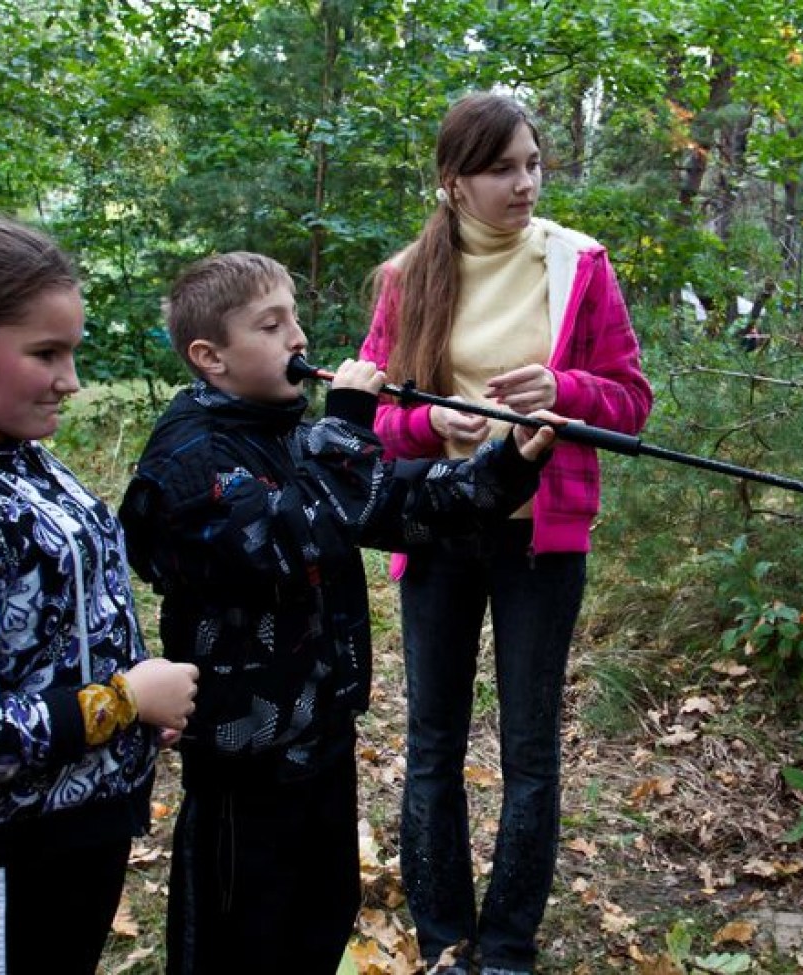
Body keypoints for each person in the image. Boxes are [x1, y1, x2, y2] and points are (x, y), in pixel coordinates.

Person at [117, 251, 561, 975]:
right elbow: (288, 537)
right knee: (240, 933)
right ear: (211, 357)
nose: (298, 336)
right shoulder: (193, 456)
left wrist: (507, 464)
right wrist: (351, 423)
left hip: (320, 732)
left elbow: (398, 501)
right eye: (271, 324)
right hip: (243, 755)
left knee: (319, 913)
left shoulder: (290, 428)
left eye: (293, 315)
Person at [359, 91, 653, 974]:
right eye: (502, 169)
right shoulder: (407, 277)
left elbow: (632, 403)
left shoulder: (580, 266)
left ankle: (509, 947)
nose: (525, 184)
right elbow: (372, 418)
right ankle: (447, 939)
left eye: (533, 164)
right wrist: (431, 432)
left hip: (540, 541)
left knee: (529, 747)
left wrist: (565, 392)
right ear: (454, 182)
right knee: (434, 744)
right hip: (441, 536)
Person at [0, 214, 200, 975]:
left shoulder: (18, 453)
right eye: (45, 353)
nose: (71, 380)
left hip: (76, 828)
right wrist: (122, 700)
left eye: (71, 351)